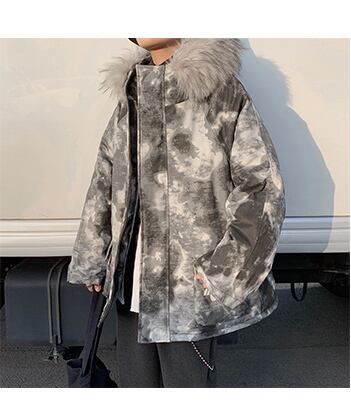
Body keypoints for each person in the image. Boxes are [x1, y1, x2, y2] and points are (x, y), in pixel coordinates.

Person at [67, 38, 286, 387]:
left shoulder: (219, 93)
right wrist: (94, 256)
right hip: (130, 281)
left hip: (186, 289)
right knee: (138, 387)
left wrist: (223, 267)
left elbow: (261, 185)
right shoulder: (133, 91)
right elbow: (106, 178)